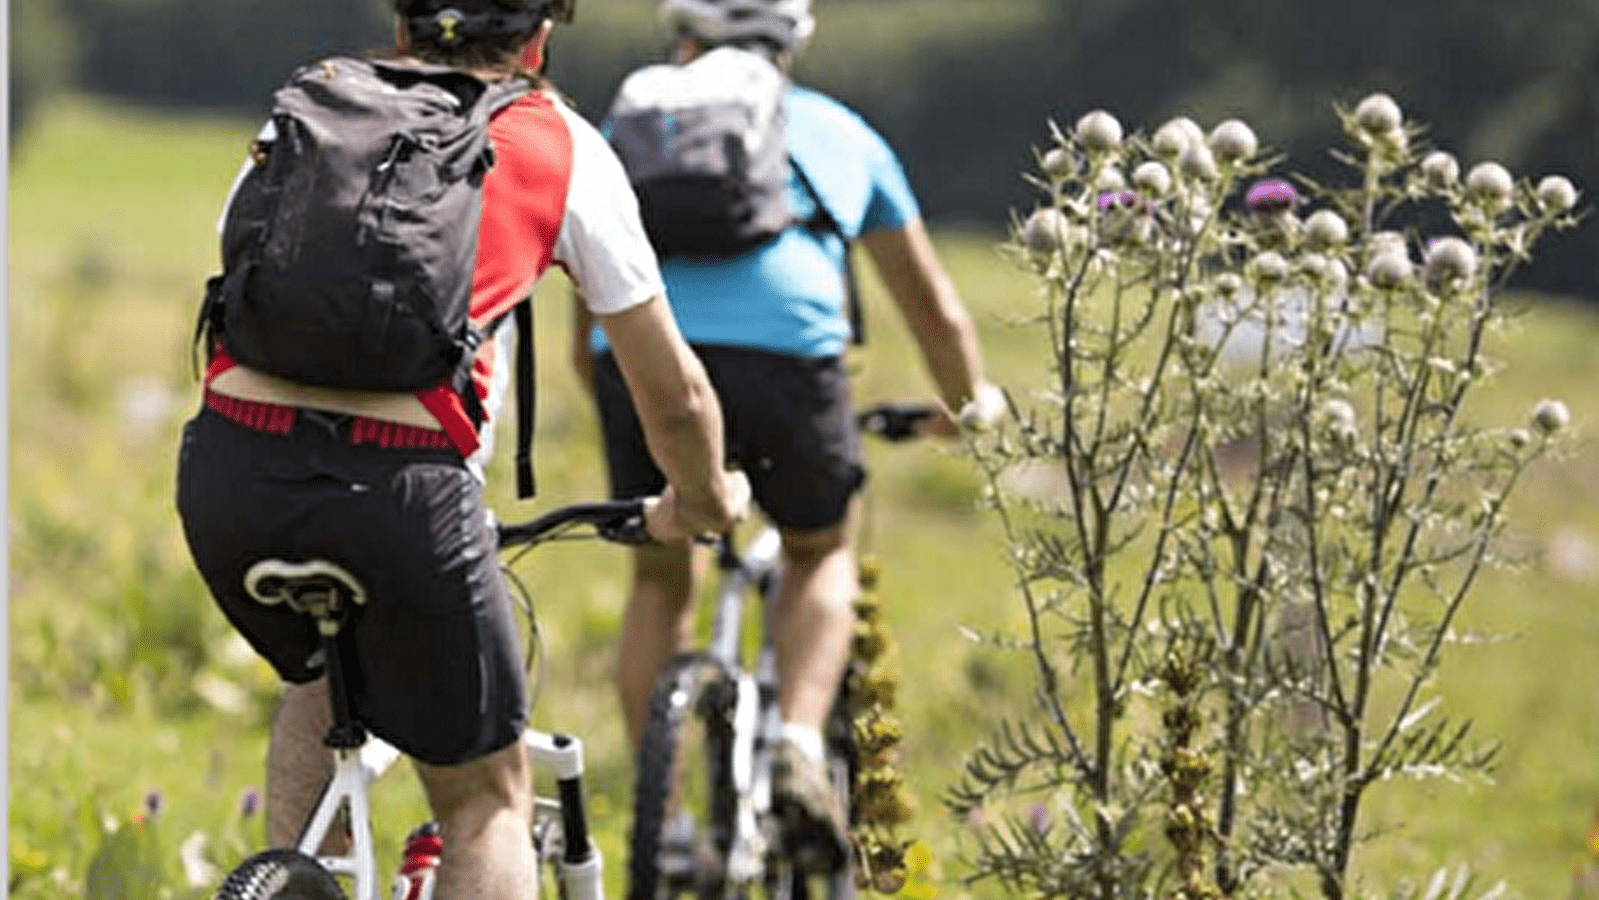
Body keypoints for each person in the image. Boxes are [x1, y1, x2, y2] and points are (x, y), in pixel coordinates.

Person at [175, 2, 749, 898]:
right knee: (485, 800)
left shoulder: (316, 101)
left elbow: (237, 261)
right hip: (403, 496)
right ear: (539, 41)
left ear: (402, 29)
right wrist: (704, 501)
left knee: (327, 678)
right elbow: (671, 396)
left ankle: (301, 878)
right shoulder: (557, 142)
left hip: (229, 475)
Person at [571, 0, 1002, 871]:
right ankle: (800, 743)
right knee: (818, 547)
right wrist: (969, 404)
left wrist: (613, 392)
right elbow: (930, 306)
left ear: (683, 43)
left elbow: (589, 294)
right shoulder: (838, 130)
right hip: (786, 356)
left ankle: (666, 825)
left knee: (661, 573)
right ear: (788, 48)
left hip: (644, 362)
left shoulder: (631, 119)